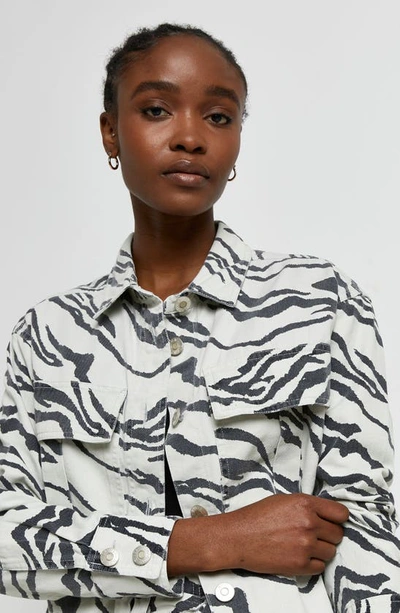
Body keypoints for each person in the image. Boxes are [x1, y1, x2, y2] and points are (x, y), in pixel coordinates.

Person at [0, 22, 399, 613]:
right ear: (110, 132)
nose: (190, 137)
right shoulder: (47, 335)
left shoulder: (318, 300)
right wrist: (206, 542)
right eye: (157, 110)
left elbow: (366, 530)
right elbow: (8, 541)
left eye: (218, 117)